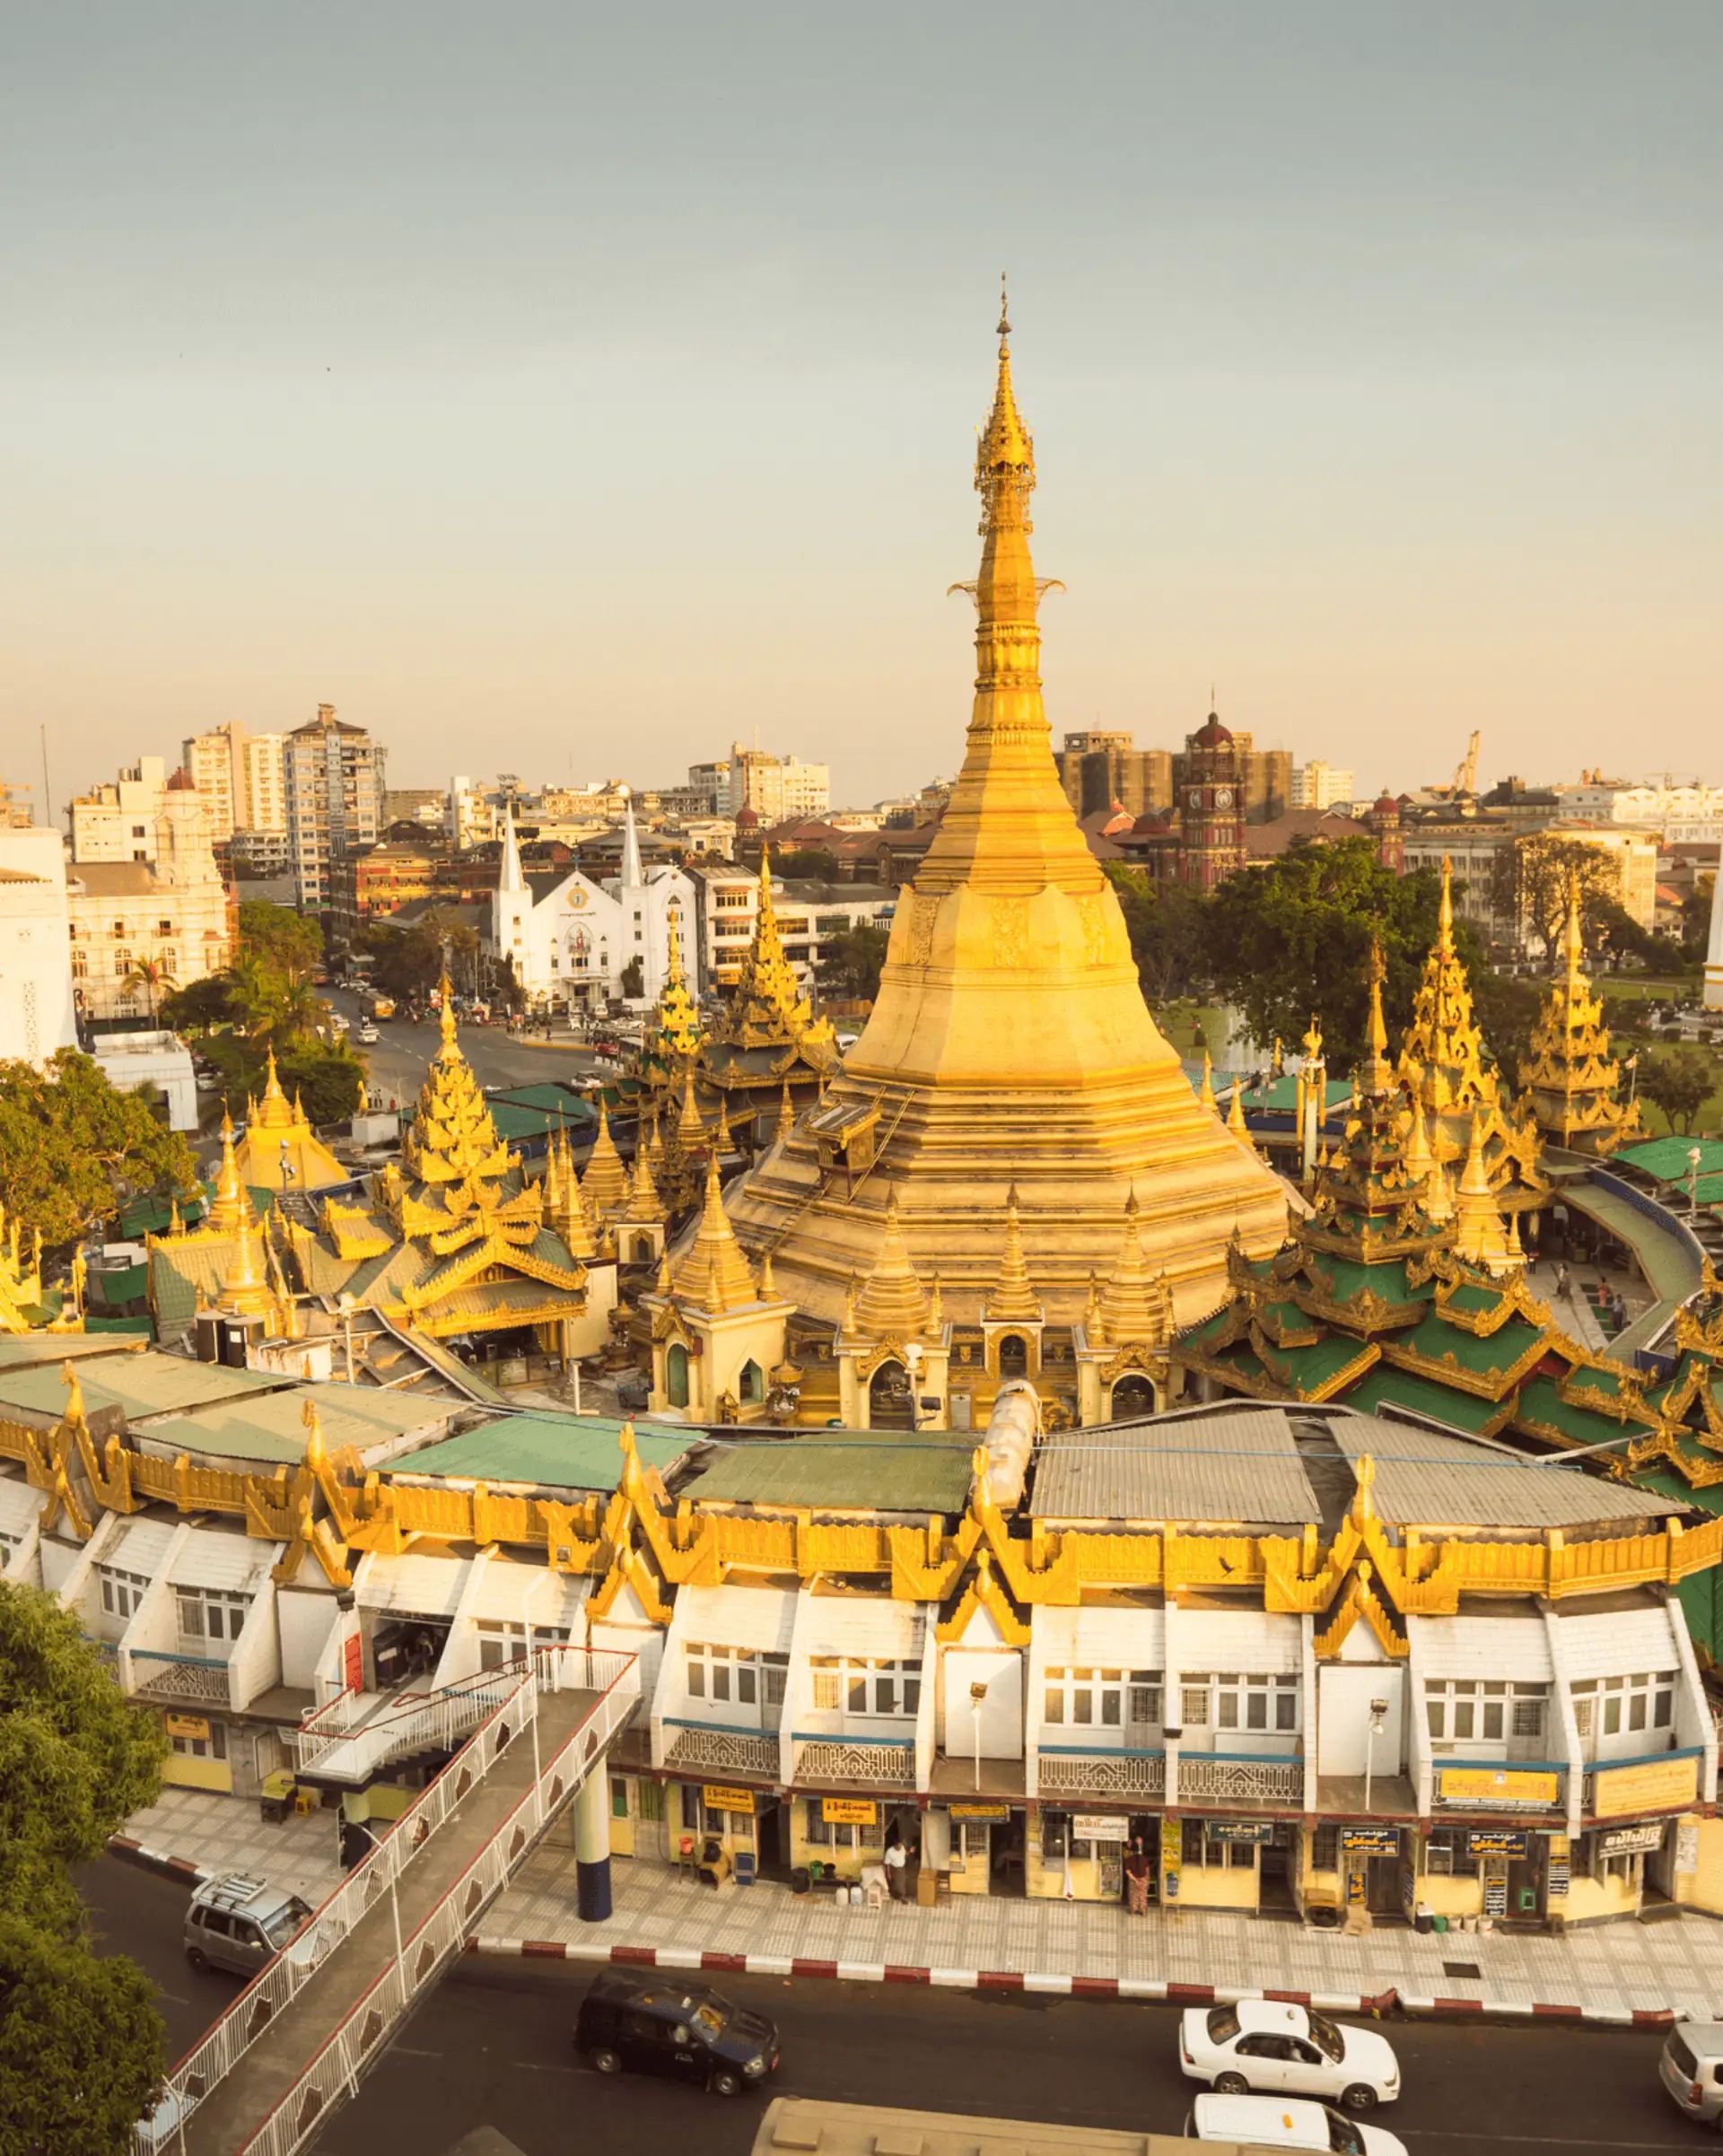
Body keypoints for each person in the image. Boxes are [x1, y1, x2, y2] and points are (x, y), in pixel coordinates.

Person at [1124, 1838, 1153, 1916]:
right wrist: (1147, 1880)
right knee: (1142, 1896)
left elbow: (1128, 1871)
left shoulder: (1129, 1859)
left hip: (1133, 1880)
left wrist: (1134, 1880)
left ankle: (1133, 1911)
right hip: (1143, 1879)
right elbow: (1147, 1869)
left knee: (1134, 1896)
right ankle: (1143, 1911)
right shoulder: (1143, 1858)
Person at [883, 1834, 909, 1901]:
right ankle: (903, 1896)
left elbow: (904, 1854)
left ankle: (896, 1894)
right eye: (898, 1846)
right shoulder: (890, 1852)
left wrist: (910, 1852)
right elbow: (887, 1863)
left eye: (900, 1845)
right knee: (899, 1883)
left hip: (902, 1868)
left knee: (901, 1881)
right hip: (895, 1869)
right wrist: (888, 1873)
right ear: (895, 1845)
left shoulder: (902, 1848)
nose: (900, 1847)